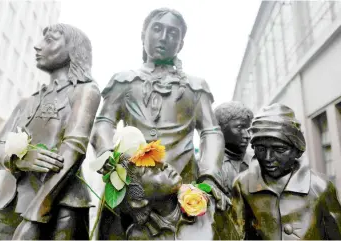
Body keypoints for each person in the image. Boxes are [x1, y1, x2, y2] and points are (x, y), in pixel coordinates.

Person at [91, 8, 229, 239]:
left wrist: (210, 175)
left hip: (182, 191)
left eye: (173, 33)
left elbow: (211, 131)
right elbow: (104, 122)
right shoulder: (124, 81)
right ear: (143, 34)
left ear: (181, 43)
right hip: (128, 187)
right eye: (157, 29)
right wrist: (107, 154)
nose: (164, 37)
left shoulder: (195, 87)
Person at [0, 23, 101, 240]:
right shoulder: (26, 102)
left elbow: (74, 149)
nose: (38, 47)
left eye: (50, 40)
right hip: (8, 206)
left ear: (73, 50)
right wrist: (18, 158)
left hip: (58, 209)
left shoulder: (85, 92)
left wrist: (36, 216)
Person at [230, 103, 341, 240]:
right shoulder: (243, 185)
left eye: (279, 149)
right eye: (261, 149)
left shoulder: (320, 187)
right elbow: (237, 235)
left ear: (297, 150)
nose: (268, 158)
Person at [99, 155, 217, 240]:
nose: (163, 164)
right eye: (147, 169)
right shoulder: (138, 236)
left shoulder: (210, 206)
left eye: (155, 159)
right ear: (138, 202)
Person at [214, 101, 253, 197]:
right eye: (239, 128)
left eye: (248, 129)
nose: (247, 136)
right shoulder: (205, 165)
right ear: (221, 129)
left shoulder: (259, 162)